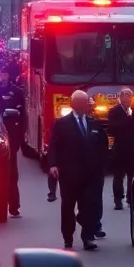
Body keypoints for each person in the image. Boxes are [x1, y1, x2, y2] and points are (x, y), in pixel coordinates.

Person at [47, 91, 107, 251]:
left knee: (89, 205)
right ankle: (68, 238)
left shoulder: (93, 122)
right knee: (68, 206)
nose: (83, 105)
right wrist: (53, 165)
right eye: (80, 102)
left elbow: (102, 145)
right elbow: (53, 145)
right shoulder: (61, 123)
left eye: (85, 102)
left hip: (90, 173)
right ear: (73, 104)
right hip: (69, 174)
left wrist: (103, 165)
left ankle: (87, 237)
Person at [0, 67, 25, 218]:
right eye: (0, 74)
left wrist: (19, 140)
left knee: (12, 174)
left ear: (8, 76)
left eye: (5, 74)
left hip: (10, 136)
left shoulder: (16, 92)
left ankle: (14, 206)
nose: (2, 77)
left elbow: (22, 117)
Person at [106, 88, 134, 211]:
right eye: (124, 96)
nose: (127, 99)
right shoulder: (114, 111)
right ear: (120, 98)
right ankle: (118, 200)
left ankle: (131, 198)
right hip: (119, 148)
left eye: (129, 96)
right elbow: (112, 129)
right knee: (118, 175)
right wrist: (127, 118)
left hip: (133, 148)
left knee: (132, 175)